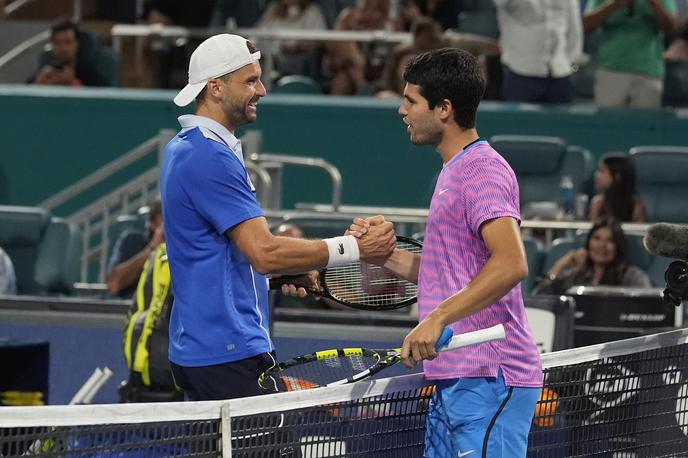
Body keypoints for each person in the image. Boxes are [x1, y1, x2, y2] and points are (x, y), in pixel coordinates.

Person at [159, 33, 395, 401]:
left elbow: (220, 256)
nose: (263, 90)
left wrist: (277, 276)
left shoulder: (188, 148)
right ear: (216, 88)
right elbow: (264, 252)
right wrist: (355, 248)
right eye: (250, 80)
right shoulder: (209, 157)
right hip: (228, 352)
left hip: (210, 349)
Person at [347, 48, 542, 457]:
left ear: (444, 109)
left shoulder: (482, 170)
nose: (402, 110)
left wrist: (437, 318)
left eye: (411, 100)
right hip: (456, 377)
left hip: (492, 376)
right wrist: (381, 254)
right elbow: (446, 275)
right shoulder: (453, 172)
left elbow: (511, 263)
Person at [584, 0, 678, 108]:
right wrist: (614, 4)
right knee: (607, 121)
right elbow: (586, 25)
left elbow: (671, 28)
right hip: (611, 69)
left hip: (649, 70)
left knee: (645, 122)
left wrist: (653, 4)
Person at [494, 0, 583, 103]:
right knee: (519, 119)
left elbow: (574, 29)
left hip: (560, 74)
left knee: (559, 119)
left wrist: (570, 62)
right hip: (521, 73)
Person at [533, 218, 651, 295]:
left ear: (618, 246)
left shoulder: (632, 276)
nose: (602, 245)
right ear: (588, 243)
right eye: (596, 238)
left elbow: (647, 304)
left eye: (610, 240)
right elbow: (539, 297)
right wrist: (560, 265)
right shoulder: (576, 274)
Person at [28, 19, 117, 87]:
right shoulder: (47, 62)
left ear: (77, 44)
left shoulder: (89, 65)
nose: (63, 48)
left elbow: (102, 96)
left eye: (68, 42)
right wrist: (39, 82)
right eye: (58, 43)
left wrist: (72, 81)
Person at [107, 199, 164, 299]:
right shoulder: (132, 241)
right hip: (128, 308)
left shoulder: (184, 246)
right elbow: (114, 284)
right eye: (164, 219)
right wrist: (153, 248)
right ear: (152, 223)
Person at [256, 0, 327, 78]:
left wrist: (300, 47)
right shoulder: (273, 9)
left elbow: (319, 38)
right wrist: (280, 47)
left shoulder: (312, 10)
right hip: (274, 56)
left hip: (302, 58)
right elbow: (259, 34)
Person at [589, 153, 646, 222]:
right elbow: (594, 231)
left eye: (602, 171)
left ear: (617, 176)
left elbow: (639, 231)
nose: (597, 175)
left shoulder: (636, 205)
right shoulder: (597, 203)